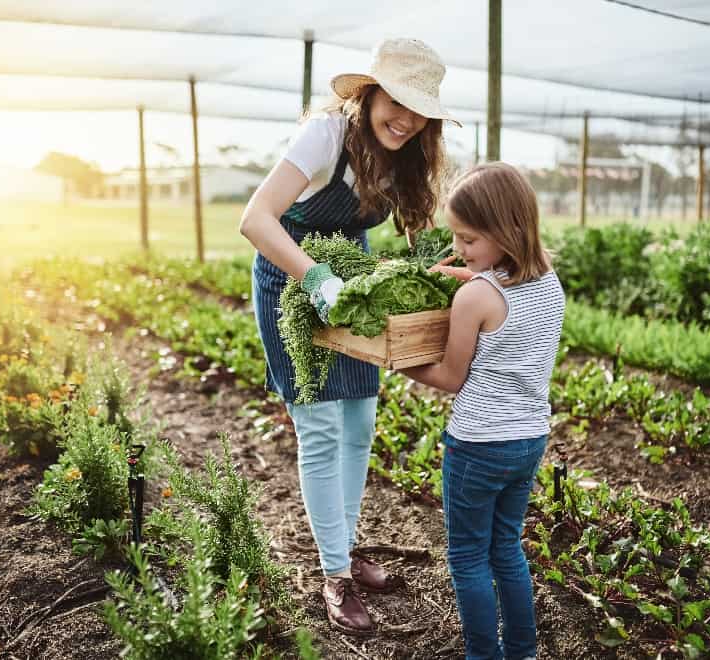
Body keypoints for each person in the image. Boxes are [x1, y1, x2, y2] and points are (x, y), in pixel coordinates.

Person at [239, 37, 460, 635]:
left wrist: (455, 278)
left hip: (351, 279)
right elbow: (255, 219)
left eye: (420, 111)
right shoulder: (325, 136)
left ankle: (344, 546)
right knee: (319, 428)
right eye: (397, 102)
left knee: (360, 421)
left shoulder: (407, 156)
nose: (406, 119)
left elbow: (425, 238)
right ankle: (334, 575)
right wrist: (314, 279)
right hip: (291, 278)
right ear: (369, 93)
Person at [400, 162, 565, 660]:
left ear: (505, 231)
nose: (459, 250)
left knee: (468, 558)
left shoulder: (475, 297)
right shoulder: (548, 284)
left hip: (477, 445)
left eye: (468, 239)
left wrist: (398, 361)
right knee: (507, 549)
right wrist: (473, 274)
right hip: (528, 440)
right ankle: (522, 652)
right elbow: (498, 299)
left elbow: (451, 378)